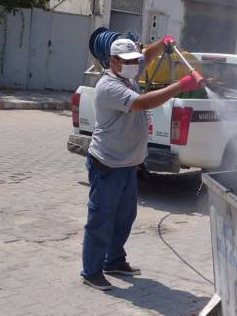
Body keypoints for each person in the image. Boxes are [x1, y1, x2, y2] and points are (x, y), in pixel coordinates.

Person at [81, 33, 202, 290]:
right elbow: (142, 102)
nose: (134, 64)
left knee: (125, 215)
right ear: (113, 62)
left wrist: (161, 44)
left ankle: (113, 260)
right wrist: (180, 86)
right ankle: (91, 272)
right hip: (107, 165)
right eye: (127, 61)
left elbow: (143, 58)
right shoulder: (109, 86)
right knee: (101, 219)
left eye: (134, 60)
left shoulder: (126, 74)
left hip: (126, 164)